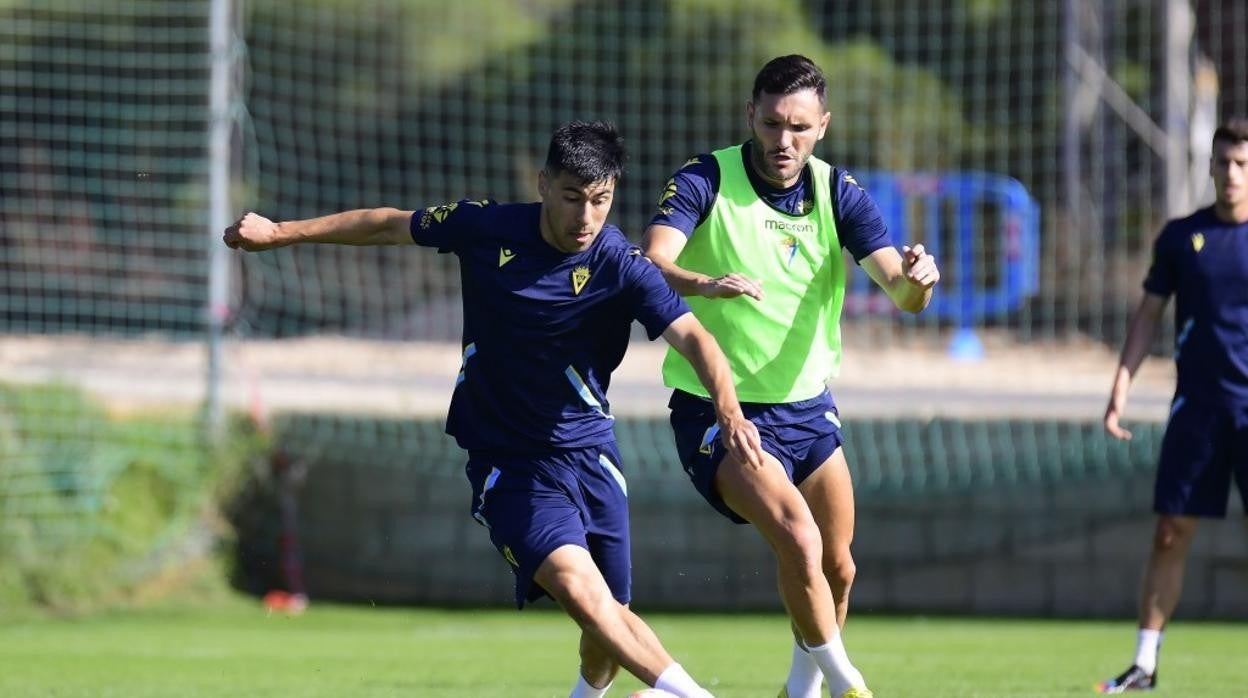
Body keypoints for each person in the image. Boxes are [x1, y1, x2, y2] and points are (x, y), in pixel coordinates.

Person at [224, 120, 767, 698]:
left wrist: (729, 412)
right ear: (543, 185)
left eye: (601, 201)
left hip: (591, 457)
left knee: (608, 624)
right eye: (572, 198)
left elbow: (697, 341)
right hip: (509, 462)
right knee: (584, 595)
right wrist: (280, 231)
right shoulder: (487, 228)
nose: (586, 217)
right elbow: (387, 224)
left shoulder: (623, 265)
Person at [642, 55, 940, 698]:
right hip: (719, 411)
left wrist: (918, 283)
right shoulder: (705, 178)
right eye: (773, 123)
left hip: (807, 409)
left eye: (800, 128)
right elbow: (652, 262)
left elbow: (898, 289)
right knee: (799, 542)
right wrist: (705, 284)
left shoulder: (839, 192)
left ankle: (800, 691)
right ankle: (848, 682)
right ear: (751, 114)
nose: (784, 141)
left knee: (838, 566)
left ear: (823, 126)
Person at [1097, 117, 1248, 693]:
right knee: (1169, 533)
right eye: (1223, 162)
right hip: (1199, 412)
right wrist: (1121, 384)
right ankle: (1145, 663)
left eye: (1241, 164)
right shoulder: (1183, 237)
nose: (1231, 174)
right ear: (1209, 167)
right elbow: (1149, 315)